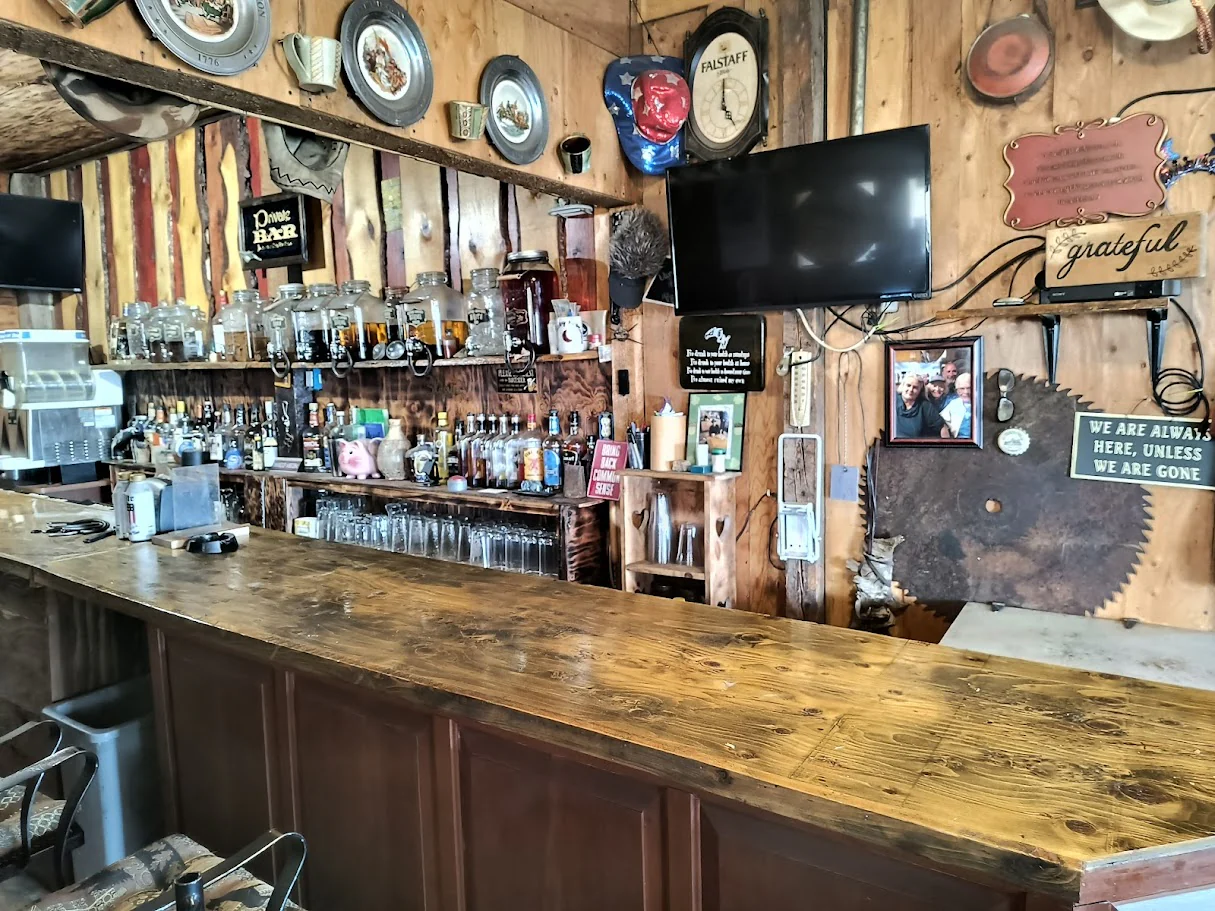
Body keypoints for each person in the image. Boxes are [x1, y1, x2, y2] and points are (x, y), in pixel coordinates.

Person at [894, 374, 944, 438]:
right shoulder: (892, 400)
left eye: (915, 387)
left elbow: (941, 427)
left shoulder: (925, 406)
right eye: (908, 385)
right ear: (903, 386)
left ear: (920, 391)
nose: (911, 390)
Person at [941, 372, 972, 439]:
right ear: (957, 390)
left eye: (969, 388)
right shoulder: (953, 404)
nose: (966, 392)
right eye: (962, 388)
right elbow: (942, 422)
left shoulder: (981, 402)